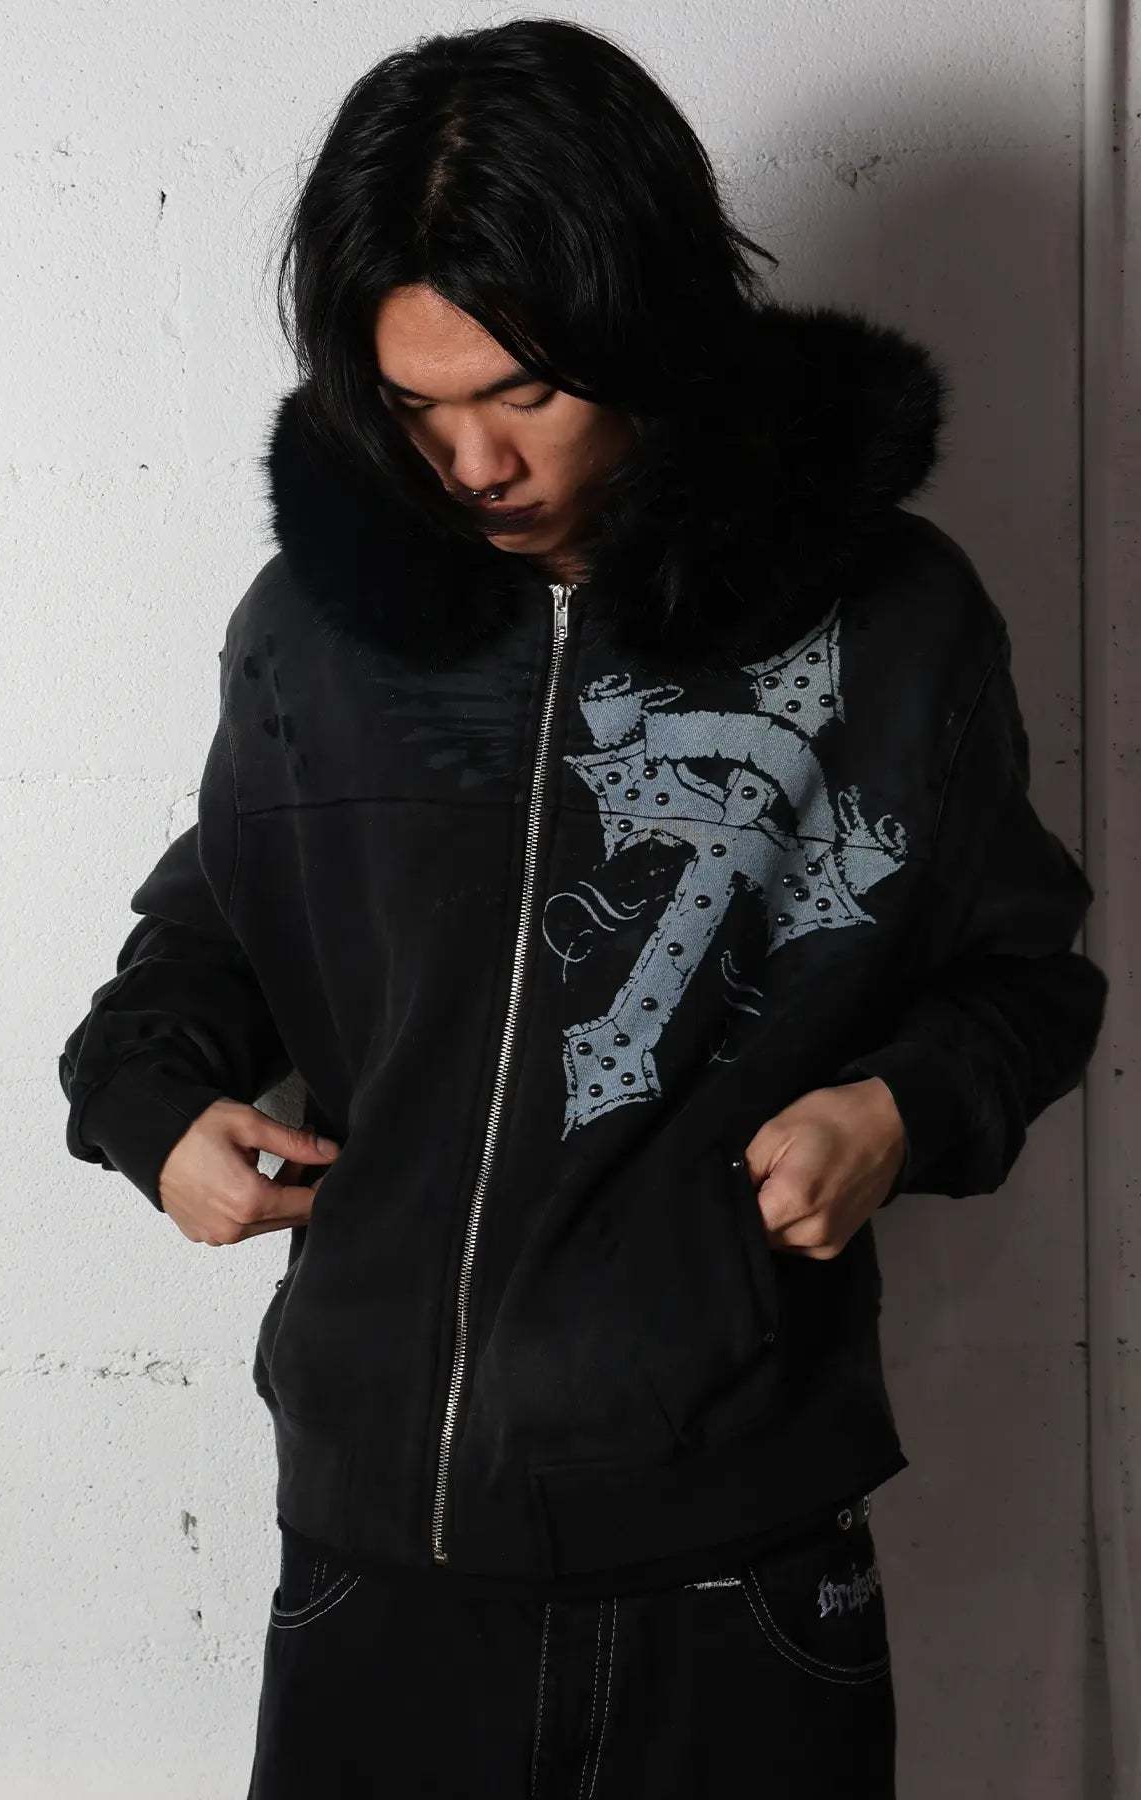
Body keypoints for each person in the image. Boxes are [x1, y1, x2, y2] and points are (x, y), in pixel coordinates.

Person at [57, 18, 1108, 1797]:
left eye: (524, 394)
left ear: (648, 334)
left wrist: (897, 1109)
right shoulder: (317, 634)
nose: (470, 464)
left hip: (738, 1578)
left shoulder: (891, 622)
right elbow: (208, 945)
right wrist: (159, 1116)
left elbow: (1022, 975)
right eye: (415, 406)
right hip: (378, 1566)